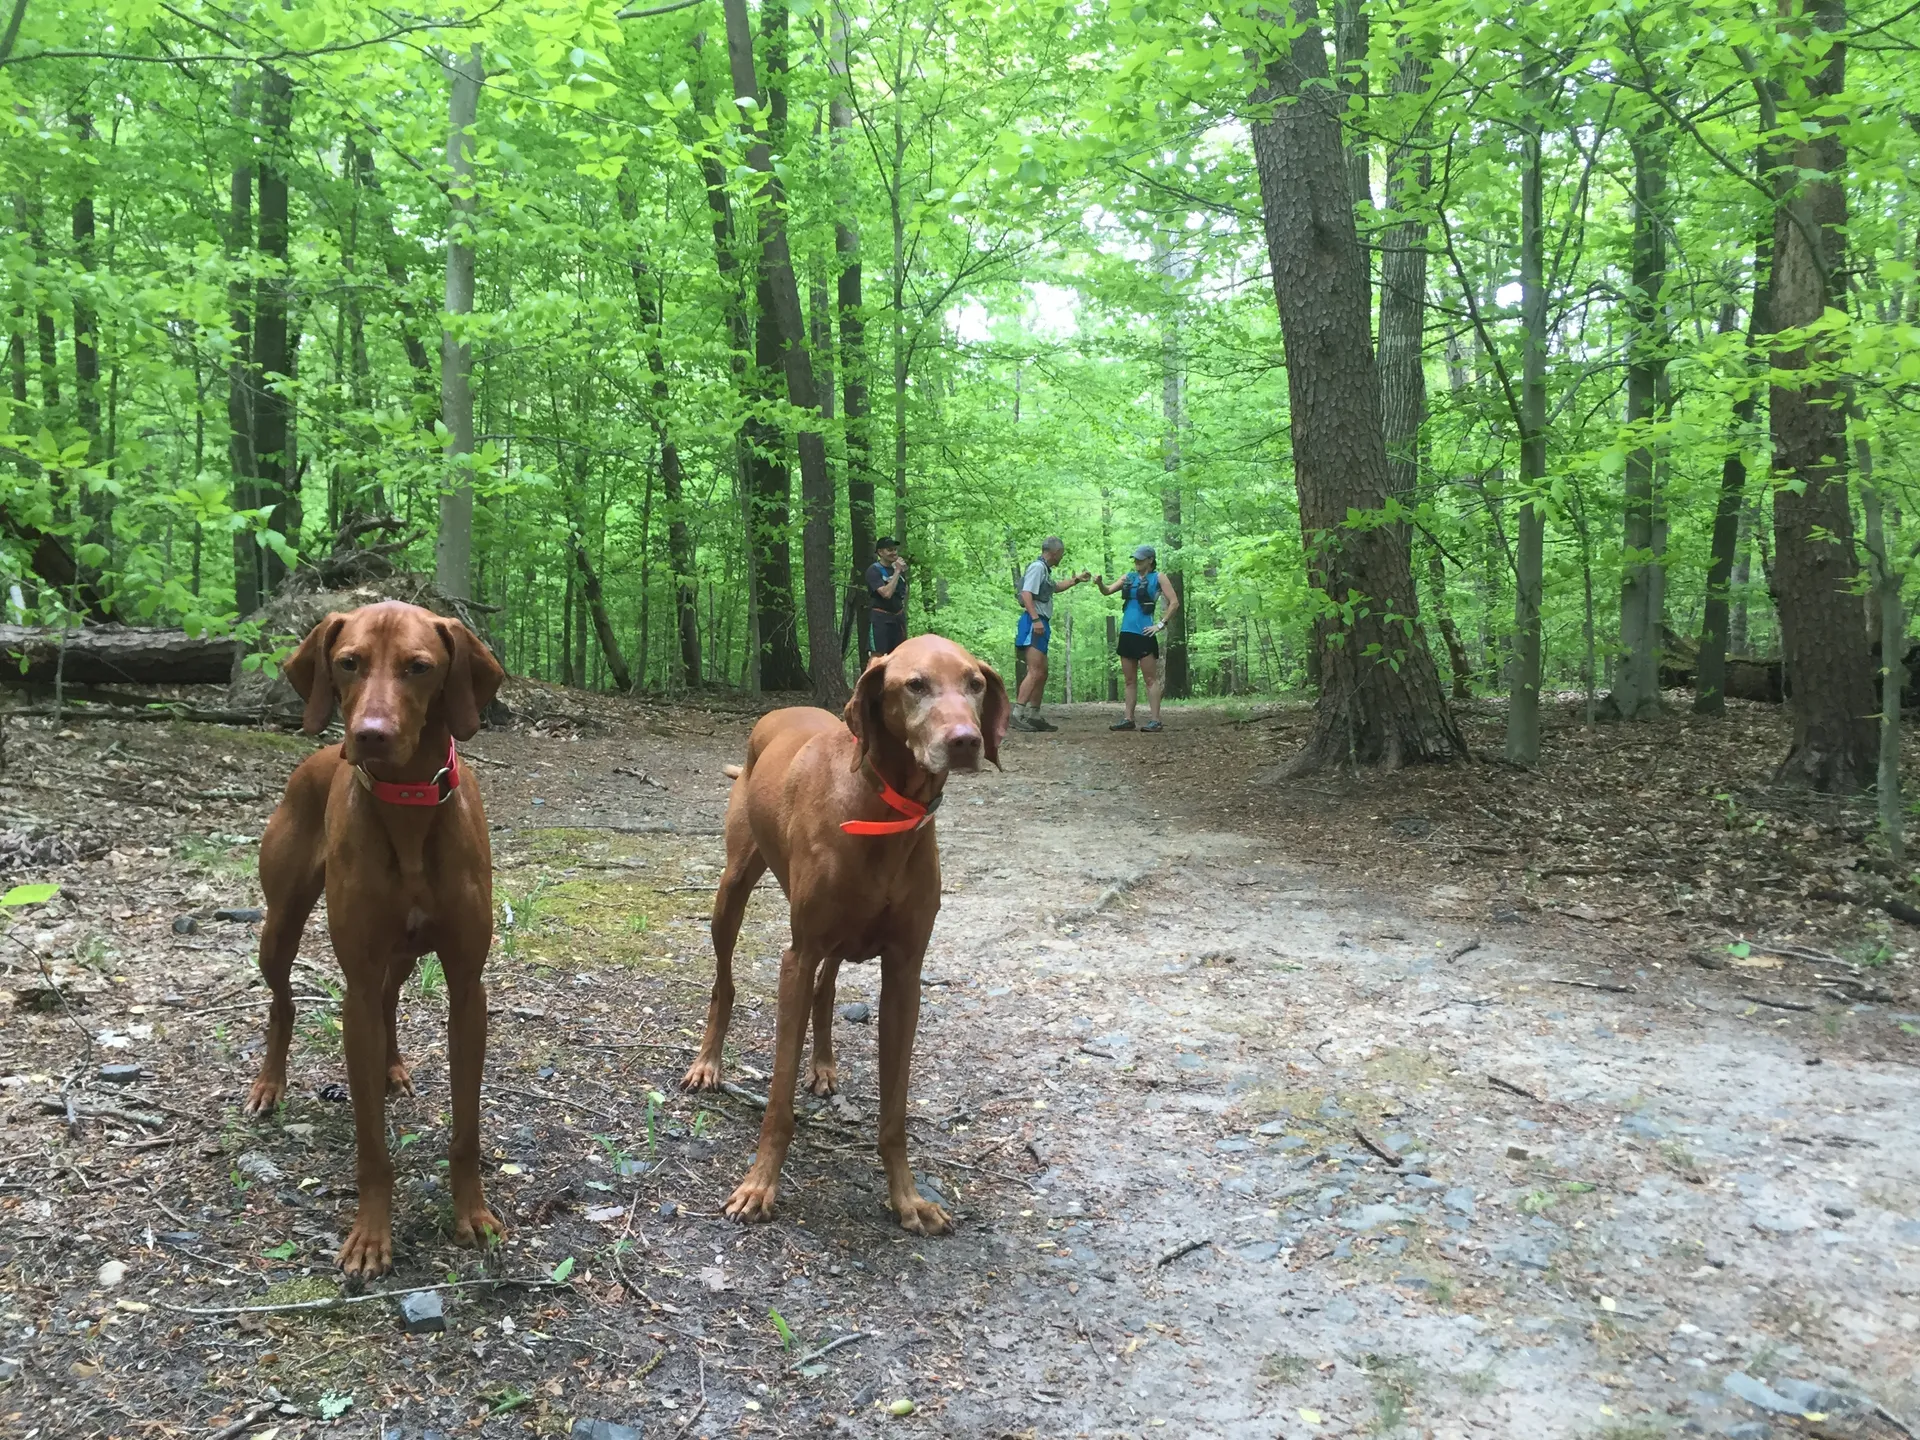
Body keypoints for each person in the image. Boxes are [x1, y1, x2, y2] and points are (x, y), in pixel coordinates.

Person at [1096, 544, 1181, 732]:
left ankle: (1155, 720)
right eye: (1135, 558)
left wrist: (1160, 624)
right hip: (1126, 633)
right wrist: (1100, 583)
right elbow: (1107, 591)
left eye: (1140, 559)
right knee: (1129, 680)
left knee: (1150, 679)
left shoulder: (1158, 577)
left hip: (1145, 633)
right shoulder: (1129, 577)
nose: (1136, 562)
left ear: (1150, 560)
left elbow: (1174, 603)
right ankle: (1128, 719)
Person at [1013, 536, 1091, 732]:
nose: (1061, 557)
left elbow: (1054, 588)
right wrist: (1035, 619)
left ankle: (1034, 715)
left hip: (1040, 622)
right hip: (1034, 622)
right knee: (1035, 670)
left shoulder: (1045, 571)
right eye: (1061, 554)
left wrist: (1076, 580)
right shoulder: (1037, 568)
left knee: (1042, 671)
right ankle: (1017, 714)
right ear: (1054, 552)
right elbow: (1026, 594)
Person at [865, 537, 908, 656]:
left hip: (898, 618)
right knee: (877, 656)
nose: (894, 552)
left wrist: (899, 571)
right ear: (880, 552)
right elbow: (886, 594)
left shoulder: (898, 570)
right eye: (890, 550)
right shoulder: (874, 570)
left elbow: (904, 591)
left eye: (895, 549)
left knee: (900, 655)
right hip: (881, 619)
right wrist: (897, 571)